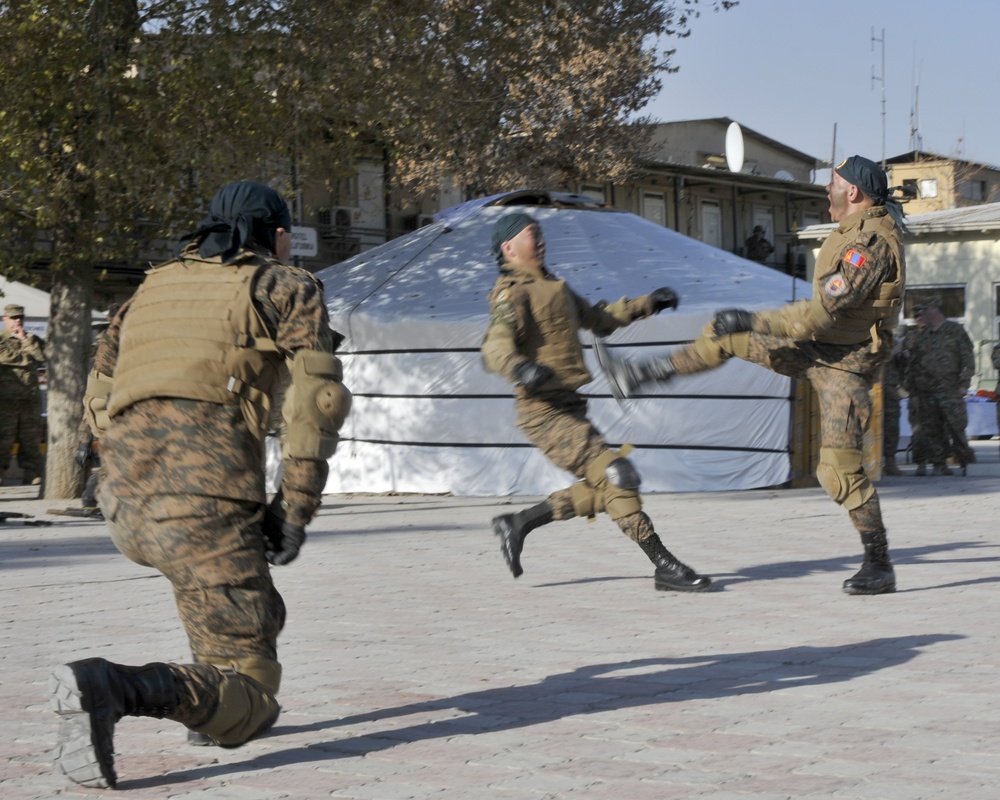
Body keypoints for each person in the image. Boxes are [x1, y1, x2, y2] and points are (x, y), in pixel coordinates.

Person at [50, 181, 351, 788]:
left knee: (232, 604)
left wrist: (105, 478)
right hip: (205, 504)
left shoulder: (150, 287)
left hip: (125, 503)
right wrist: (294, 506)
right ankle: (116, 689)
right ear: (278, 235)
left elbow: (99, 393)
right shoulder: (283, 285)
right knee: (256, 689)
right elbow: (319, 400)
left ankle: (202, 709)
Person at [609, 155, 905, 596]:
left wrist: (754, 318)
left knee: (838, 473)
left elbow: (823, 314)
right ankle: (645, 374)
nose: (827, 190)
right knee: (723, 334)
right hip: (813, 350)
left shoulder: (871, 245)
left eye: (833, 184)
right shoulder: (851, 233)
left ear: (854, 193)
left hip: (845, 364)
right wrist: (745, 324)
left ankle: (879, 564)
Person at [480, 211, 711, 593]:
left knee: (606, 484)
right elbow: (495, 344)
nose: (540, 239)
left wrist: (647, 303)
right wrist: (520, 369)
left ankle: (519, 523)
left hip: (570, 404)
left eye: (539, 233)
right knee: (617, 474)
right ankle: (664, 565)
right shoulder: (511, 293)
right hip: (543, 412)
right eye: (530, 234)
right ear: (509, 248)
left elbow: (598, 318)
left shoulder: (554, 286)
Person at [900, 297, 975, 475]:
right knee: (931, 428)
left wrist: (964, 384)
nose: (920, 315)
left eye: (924, 311)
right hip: (926, 390)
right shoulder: (921, 336)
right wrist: (911, 387)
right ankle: (939, 464)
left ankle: (967, 462)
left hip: (950, 389)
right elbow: (912, 362)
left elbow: (968, 359)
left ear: (933, 310)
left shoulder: (955, 331)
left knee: (956, 427)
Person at [0, 303, 46, 486]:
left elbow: (42, 357)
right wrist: (28, 355)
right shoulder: (1, 339)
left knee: (31, 439)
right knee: (4, 438)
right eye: (13, 318)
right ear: (5, 319)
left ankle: (32, 473)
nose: (17, 321)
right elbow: (5, 358)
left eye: (20, 317)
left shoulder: (33, 338)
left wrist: (25, 341)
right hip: (6, 399)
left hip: (30, 399)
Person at [881, 326, 908, 476]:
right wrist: (891, 353)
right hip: (874, 386)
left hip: (891, 387)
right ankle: (869, 462)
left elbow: (902, 367)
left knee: (892, 425)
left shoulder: (893, 340)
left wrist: (902, 355)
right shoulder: (867, 335)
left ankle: (890, 462)